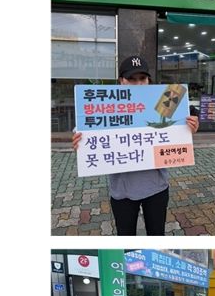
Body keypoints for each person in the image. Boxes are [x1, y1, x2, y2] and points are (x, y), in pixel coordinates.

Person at [72, 56, 199, 236]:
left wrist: (191, 127)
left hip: (156, 187)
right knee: (126, 238)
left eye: (142, 79)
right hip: (122, 191)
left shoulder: (165, 99)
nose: (138, 84)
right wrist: (79, 143)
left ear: (149, 80)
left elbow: (184, 120)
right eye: (132, 79)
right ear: (121, 81)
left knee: (157, 235)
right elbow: (84, 135)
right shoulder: (107, 104)